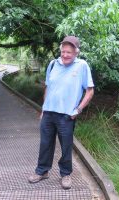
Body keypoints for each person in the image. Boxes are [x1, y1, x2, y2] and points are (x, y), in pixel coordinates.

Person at [28, 36, 94, 189]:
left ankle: (65, 174)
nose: (65, 55)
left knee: (66, 146)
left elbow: (90, 91)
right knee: (45, 144)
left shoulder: (82, 65)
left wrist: (78, 109)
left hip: (66, 115)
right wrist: (43, 108)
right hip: (48, 113)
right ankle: (42, 171)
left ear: (76, 52)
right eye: (63, 51)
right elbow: (48, 88)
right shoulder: (53, 64)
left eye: (69, 52)